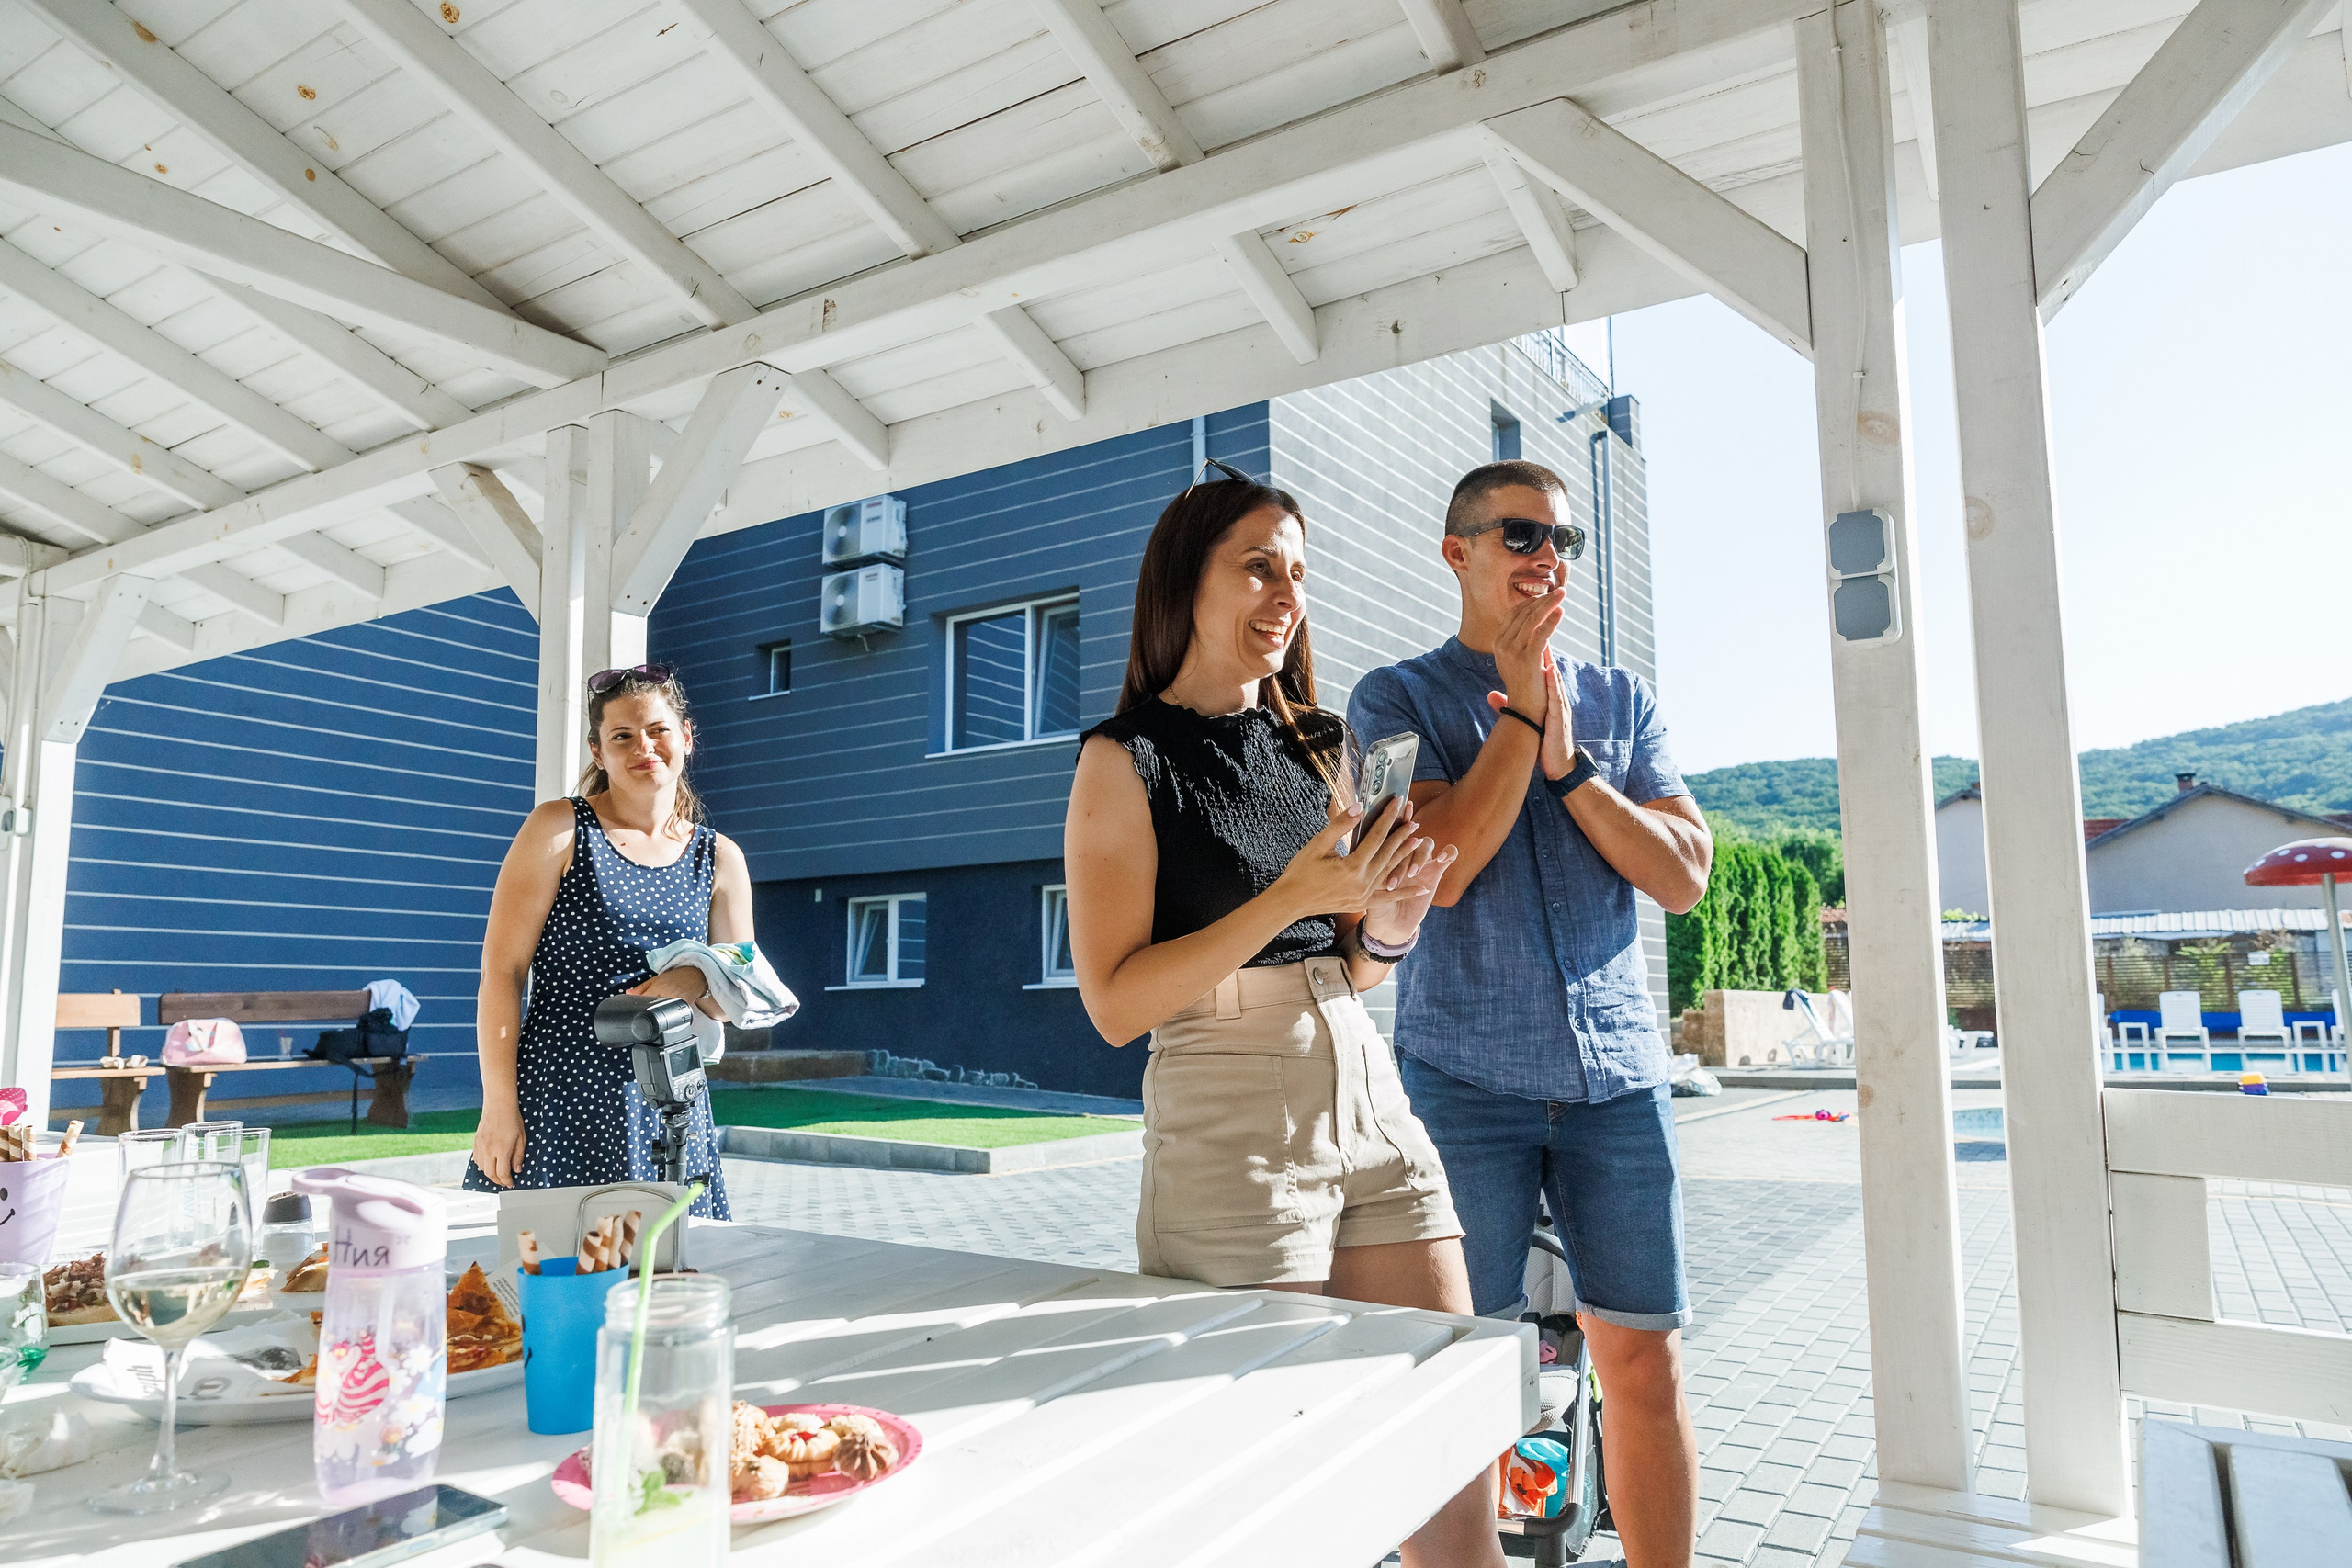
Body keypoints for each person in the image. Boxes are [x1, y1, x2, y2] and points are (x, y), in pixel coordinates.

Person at [1062, 462, 1501, 1568]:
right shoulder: (1125, 758)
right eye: (1258, 566)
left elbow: (1355, 965)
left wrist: (1390, 919)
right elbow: (1113, 1003)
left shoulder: (1322, 744)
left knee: (1450, 1466)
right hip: (1228, 1116)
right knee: (1265, 1506)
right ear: (1185, 581)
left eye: (1297, 573)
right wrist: (1291, 896)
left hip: (1369, 1095)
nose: (1285, 595)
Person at [1348, 459, 1713, 1568]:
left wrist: (1571, 768)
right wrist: (1521, 718)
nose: (1547, 557)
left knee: (1643, 1361)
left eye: (1563, 540)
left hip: (1620, 1085)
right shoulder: (1392, 700)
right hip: (1463, 1084)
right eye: (1520, 535)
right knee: (1455, 1369)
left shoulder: (1622, 701)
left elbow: (1683, 876)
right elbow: (1440, 872)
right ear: (1455, 551)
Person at [465, 664, 753, 1217]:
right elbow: (502, 973)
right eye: (622, 735)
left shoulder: (720, 857)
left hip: (669, 1103)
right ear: (597, 751)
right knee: (554, 1267)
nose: (643, 747)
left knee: (663, 1266)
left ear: (686, 737)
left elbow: (732, 998)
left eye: (658, 730)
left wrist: (692, 977)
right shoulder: (559, 829)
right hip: (560, 1095)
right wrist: (499, 1105)